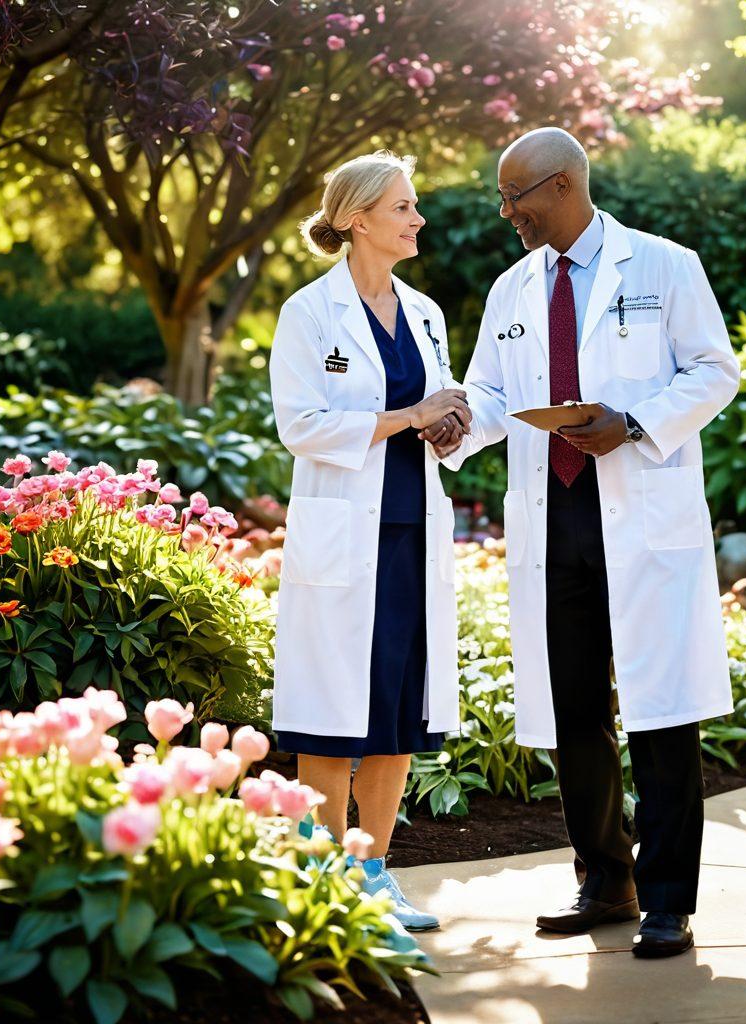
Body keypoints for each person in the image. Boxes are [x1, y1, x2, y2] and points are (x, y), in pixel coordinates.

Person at [432, 127, 740, 957]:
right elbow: (494, 393)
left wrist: (633, 422)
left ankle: (668, 898)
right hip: (555, 518)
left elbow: (715, 371)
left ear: (563, 185)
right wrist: (456, 423)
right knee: (576, 709)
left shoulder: (666, 266)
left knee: (661, 710)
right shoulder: (512, 289)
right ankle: (604, 878)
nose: (507, 214)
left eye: (516, 197)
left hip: (641, 515)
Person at [268, 149, 470, 931]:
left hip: (413, 534)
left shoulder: (424, 313)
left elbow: (435, 407)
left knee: (395, 713)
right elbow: (303, 427)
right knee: (331, 715)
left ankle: (373, 873)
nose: (418, 219)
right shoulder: (307, 313)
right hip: (343, 539)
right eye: (403, 207)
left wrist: (446, 424)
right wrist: (410, 417)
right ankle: (323, 880)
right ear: (357, 219)